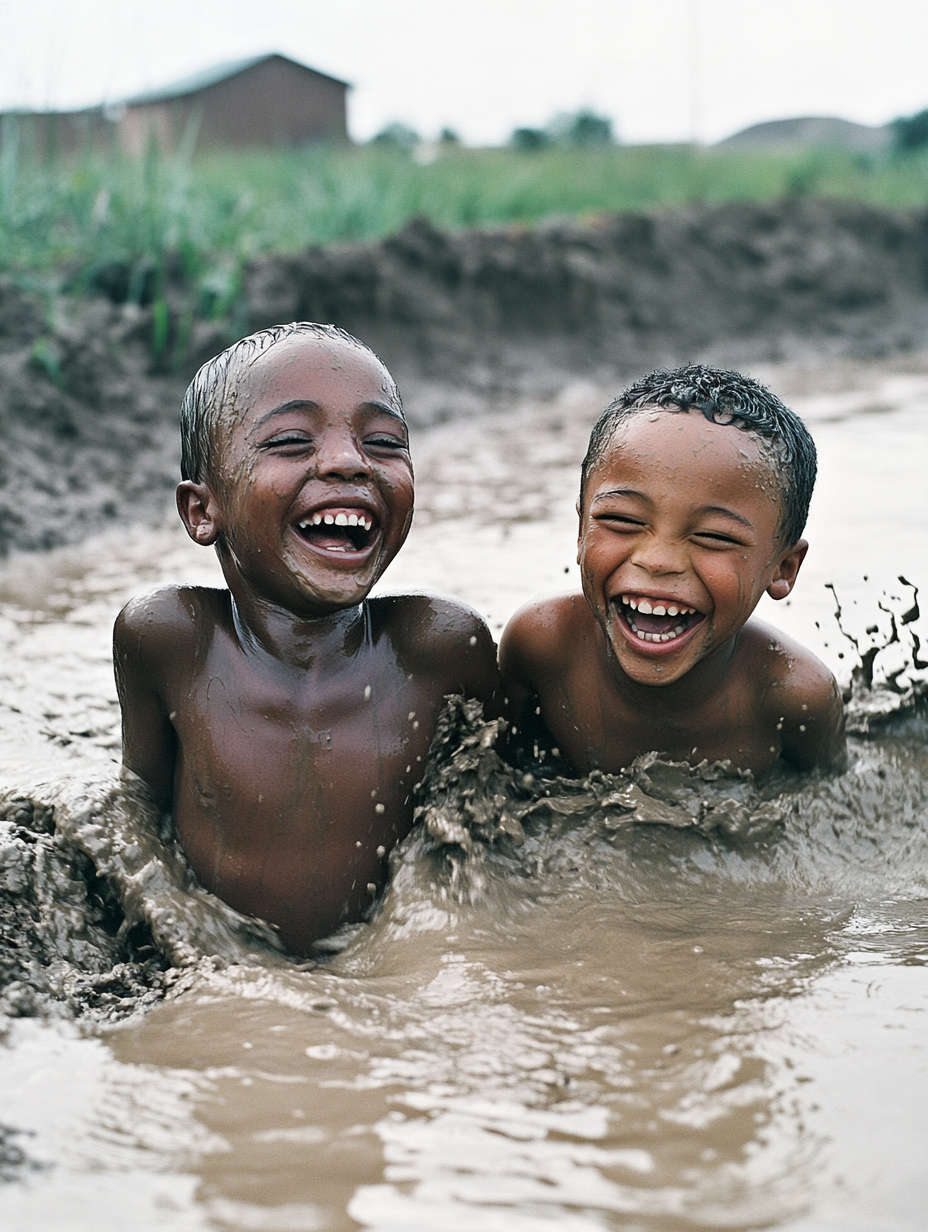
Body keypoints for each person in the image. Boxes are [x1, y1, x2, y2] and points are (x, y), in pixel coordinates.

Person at [114, 323, 500, 955]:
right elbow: (136, 819)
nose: (350, 461)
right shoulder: (168, 641)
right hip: (222, 968)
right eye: (292, 441)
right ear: (200, 511)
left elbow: (501, 826)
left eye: (384, 442)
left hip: (384, 969)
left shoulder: (439, 650)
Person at [499, 364, 845, 778]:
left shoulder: (793, 698)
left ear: (783, 568)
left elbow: (833, 805)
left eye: (714, 537)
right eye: (623, 520)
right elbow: (501, 770)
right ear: (580, 530)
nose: (658, 560)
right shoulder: (542, 647)